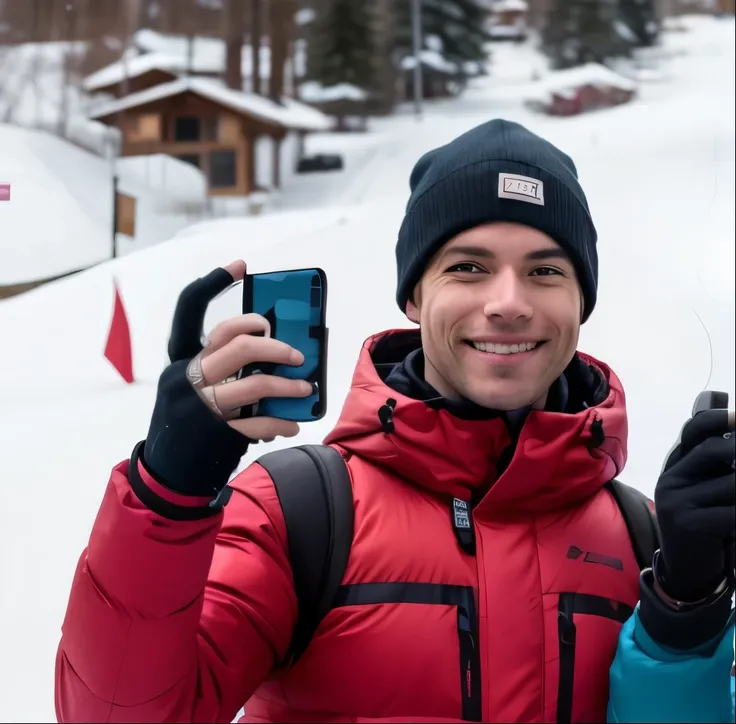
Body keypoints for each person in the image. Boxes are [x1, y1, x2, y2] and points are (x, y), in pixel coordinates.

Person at [55, 119, 735, 723]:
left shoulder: (642, 538)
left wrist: (688, 604)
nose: (508, 302)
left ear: (580, 301)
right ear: (414, 294)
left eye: (545, 271)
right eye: (467, 267)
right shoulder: (298, 514)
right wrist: (165, 496)